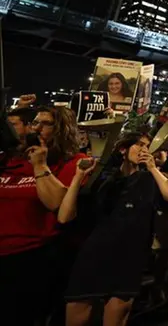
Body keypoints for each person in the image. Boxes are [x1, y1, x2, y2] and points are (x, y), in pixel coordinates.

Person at [58, 133, 168, 326]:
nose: (144, 150)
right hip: (93, 256)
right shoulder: (104, 179)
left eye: (147, 146)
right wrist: (78, 178)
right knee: (77, 313)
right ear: (123, 149)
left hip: (128, 261)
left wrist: (153, 169)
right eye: (139, 145)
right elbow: (64, 217)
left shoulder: (149, 180)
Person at [0, 107, 87, 325]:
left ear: (62, 129)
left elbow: (56, 204)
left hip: (30, 259)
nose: (36, 127)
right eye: (35, 122)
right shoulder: (11, 159)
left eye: (46, 123)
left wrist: (39, 165)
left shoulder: (73, 162)